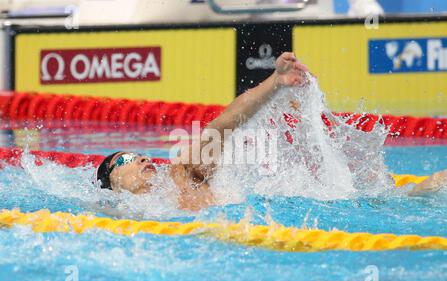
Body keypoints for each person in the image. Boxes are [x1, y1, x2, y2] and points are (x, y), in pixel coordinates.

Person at [95, 52, 447, 211]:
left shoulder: (181, 177)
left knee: (398, 198)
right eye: (124, 159)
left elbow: (223, 125)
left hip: (302, 213)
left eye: (136, 153)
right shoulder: (117, 215)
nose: (139, 156)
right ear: (112, 184)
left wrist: (275, 84)